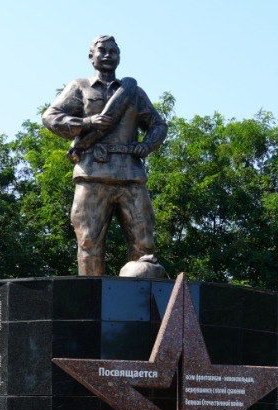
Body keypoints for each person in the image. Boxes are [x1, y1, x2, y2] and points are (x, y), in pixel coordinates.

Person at [41, 35, 168, 275]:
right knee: (89, 242)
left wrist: (147, 145)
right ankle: (91, 303)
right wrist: (87, 121)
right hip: (92, 174)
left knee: (145, 245)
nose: (109, 55)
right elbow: (51, 117)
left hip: (130, 176)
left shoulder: (132, 92)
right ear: (92, 57)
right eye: (103, 50)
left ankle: (140, 305)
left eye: (114, 51)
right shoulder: (80, 87)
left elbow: (158, 125)